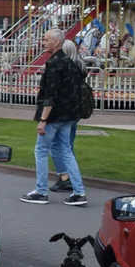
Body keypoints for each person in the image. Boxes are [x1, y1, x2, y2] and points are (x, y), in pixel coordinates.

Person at [21, 29, 87, 206]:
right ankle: (79, 191)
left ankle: (41, 191)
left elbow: (50, 95)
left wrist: (43, 120)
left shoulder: (54, 64)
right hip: (68, 115)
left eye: (46, 39)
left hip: (54, 116)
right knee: (66, 151)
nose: (43, 42)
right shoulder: (70, 63)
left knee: (41, 150)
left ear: (56, 43)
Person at [51, 39, 86, 193]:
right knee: (67, 145)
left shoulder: (66, 67)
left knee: (56, 145)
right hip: (75, 110)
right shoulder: (80, 65)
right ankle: (70, 177)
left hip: (64, 111)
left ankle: (65, 176)